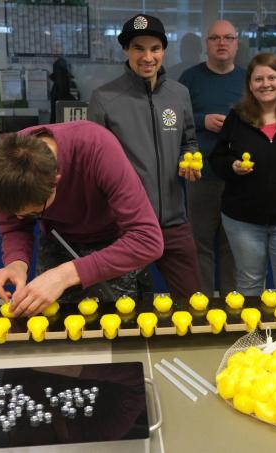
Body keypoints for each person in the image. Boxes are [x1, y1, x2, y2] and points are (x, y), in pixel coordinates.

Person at [0, 121, 164, 317]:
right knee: (54, 322)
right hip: (58, 240)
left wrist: (64, 275)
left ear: (55, 182)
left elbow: (148, 240)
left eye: (32, 213)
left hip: (114, 244)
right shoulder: (5, 168)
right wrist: (16, 263)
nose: (19, 218)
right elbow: (14, 227)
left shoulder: (97, 148)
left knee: (117, 321)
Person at [88, 14, 201, 299]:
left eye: (155, 48)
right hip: (126, 225)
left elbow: (189, 140)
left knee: (192, 301)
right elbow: (93, 164)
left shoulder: (179, 94)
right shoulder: (104, 98)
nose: (147, 57)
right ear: (126, 50)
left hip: (175, 221)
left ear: (163, 51)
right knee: (123, 308)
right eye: (139, 48)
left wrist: (191, 158)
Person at [210, 53, 276, 295]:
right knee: (249, 286)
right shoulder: (237, 118)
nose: (266, 84)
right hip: (242, 219)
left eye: (272, 77)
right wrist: (233, 166)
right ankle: (254, 334)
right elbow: (216, 159)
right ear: (250, 84)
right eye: (258, 79)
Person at [178, 19, 245, 296]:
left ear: (236, 43)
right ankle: (202, 304)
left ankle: (231, 305)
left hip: (239, 174)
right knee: (200, 243)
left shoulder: (248, 78)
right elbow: (172, 120)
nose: (222, 43)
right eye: (215, 38)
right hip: (200, 174)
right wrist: (202, 120)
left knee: (234, 245)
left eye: (228, 38)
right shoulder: (189, 79)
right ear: (206, 44)